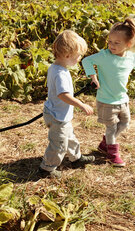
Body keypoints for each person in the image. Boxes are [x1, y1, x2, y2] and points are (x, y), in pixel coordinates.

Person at [81, 18, 135, 167]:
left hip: (122, 99)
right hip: (106, 100)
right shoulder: (104, 56)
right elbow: (86, 61)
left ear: (127, 45)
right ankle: (112, 153)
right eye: (110, 41)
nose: (111, 45)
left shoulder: (130, 57)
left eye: (117, 43)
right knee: (111, 127)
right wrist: (93, 77)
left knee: (125, 123)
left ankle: (105, 144)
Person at [40, 30, 95, 179]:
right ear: (67, 55)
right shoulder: (61, 73)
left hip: (58, 114)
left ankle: (76, 158)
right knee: (58, 144)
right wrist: (81, 105)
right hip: (58, 117)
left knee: (69, 137)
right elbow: (63, 95)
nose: (79, 59)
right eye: (78, 56)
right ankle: (47, 167)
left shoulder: (55, 67)